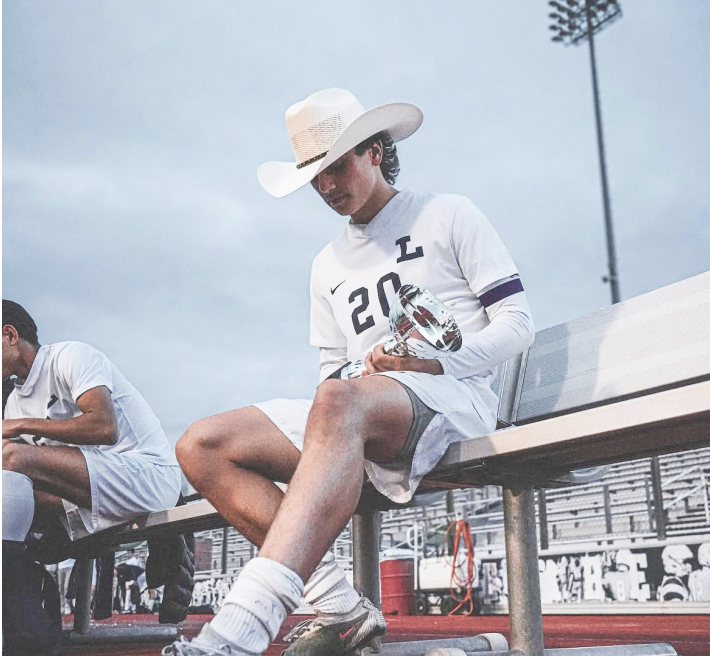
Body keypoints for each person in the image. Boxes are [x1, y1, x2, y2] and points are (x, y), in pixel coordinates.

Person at [165, 88, 535, 656]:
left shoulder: (447, 212)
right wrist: (364, 367)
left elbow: (516, 322)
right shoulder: (325, 265)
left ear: (375, 151)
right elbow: (329, 372)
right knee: (200, 444)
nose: (327, 187)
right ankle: (341, 609)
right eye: (315, 176)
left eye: (336, 166)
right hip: (362, 412)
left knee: (341, 402)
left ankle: (238, 634)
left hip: (454, 401)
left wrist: (433, 360)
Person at [2, 300, 182, 541]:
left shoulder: (69, 356)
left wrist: (20, 425)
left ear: (10, 334)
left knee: (13, 456)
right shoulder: (15, 401)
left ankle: (11, 564)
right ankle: (19, 573)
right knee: (8, 480)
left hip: (147, 476)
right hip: (90, 489)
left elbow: (104, 428)